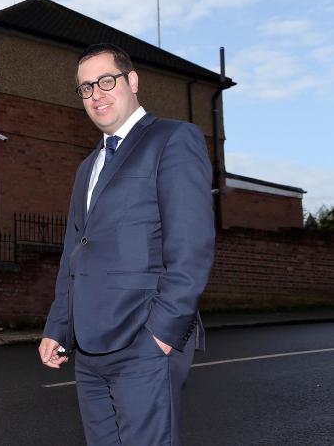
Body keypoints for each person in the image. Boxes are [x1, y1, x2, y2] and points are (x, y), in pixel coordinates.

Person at [38, 43, 215, 445]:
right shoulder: (88, 166)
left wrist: (162, 334)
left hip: (144, 340)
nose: (96, 94)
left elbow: (191, 246)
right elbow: (74, 253)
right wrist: (58, 328)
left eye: (105, 81)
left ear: (131, 81)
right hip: (89, 349)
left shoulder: (172, 139)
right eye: (85, 88)